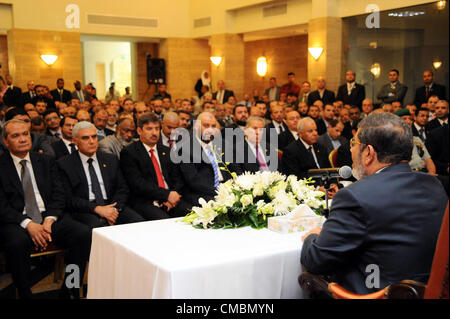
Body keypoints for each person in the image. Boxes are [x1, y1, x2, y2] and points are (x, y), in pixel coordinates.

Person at [300, 113, 448, 295]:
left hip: (376, 293)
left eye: (354, 144)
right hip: (428, 291)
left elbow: (316, 259)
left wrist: (312, 237)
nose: (351, 150)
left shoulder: (354, 196)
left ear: (369, 153)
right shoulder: (434, 184)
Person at [0, 119, 91, 299]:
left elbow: (59, 195)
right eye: (15, 136)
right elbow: (1, 205)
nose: (22, 139)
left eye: (25, 134)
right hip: (17, 220)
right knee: (17, 243)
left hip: (49, 218)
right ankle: (24, 292)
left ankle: (71, 288)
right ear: (5, 141)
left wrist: (49, 219)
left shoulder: (46, 161)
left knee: (83, 233)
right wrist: (28, 224)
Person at [57, 121, 144, 229]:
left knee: (138, 221)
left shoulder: (110, 159)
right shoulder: (65, 164)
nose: (92, 141)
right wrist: (97, 209)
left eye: (94, 137)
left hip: (112, 205)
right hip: (86, 209)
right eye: (85, 138)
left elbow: (122, 189)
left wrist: (114, 210)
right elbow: (69, 198)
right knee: (96, 228)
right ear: (75, 141)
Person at [120, 113, 191, 220]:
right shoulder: (129, 152)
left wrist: (172, 196)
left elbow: (177, 178)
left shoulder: (166, 151)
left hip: (170, 199)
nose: (154, 133)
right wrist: (166, 195)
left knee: (191, 213)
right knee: (163, 220)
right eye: (149, 129)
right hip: (146, 200)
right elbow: (138, 184)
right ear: (139, 131)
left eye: (157, 129)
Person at [177, 112, 233, 205]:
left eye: (213, 126)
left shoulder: (223, 144)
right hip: (202, 193)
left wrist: (233, 188)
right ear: (196, 127)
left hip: (226, 190)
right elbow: (193, 181)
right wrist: (220, 192)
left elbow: (233, 170)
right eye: (206, 126)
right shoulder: (186, 149)